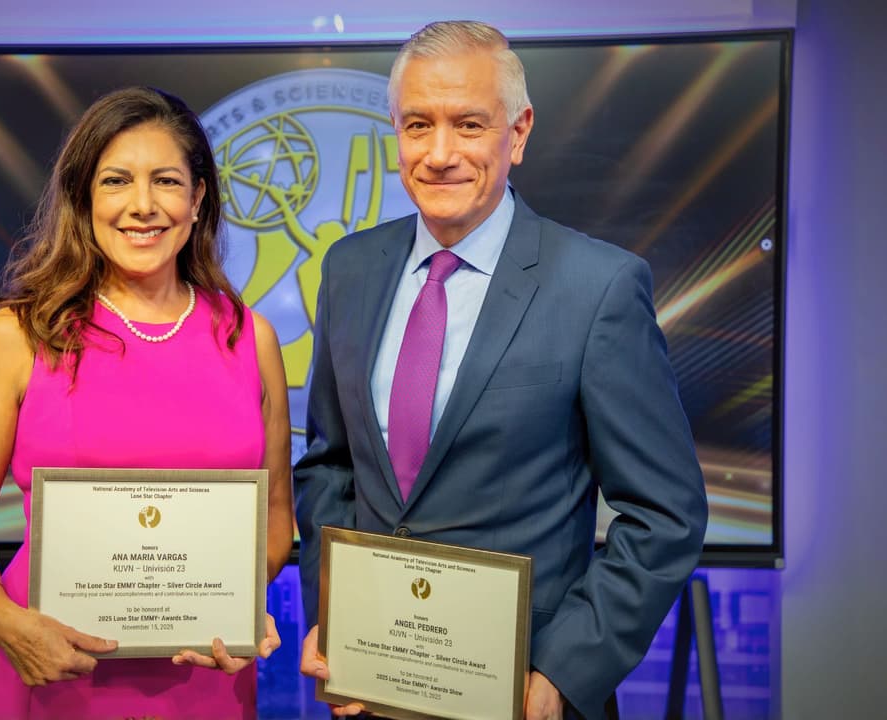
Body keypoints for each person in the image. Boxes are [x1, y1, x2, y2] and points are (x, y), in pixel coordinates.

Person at [294, 21, 708, 720]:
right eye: (417, 125)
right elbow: (329, 466)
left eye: (469, 124)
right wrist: (331, 617)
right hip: (371, 692)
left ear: (518, 133)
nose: (440, 153)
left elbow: (665, 515)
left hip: (523, 697)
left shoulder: (597, 286)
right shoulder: (349, 269)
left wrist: (564, 672)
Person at [0, 86, 295, 720]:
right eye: (115, 181)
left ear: (197, 198)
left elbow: (274, 522)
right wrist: (5, 623)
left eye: (165, 181)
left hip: (206, 676)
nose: (142, 206)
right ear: (84, 197)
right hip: (53, 668)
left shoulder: (250, 337)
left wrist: (239, 602)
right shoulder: (17, 334)